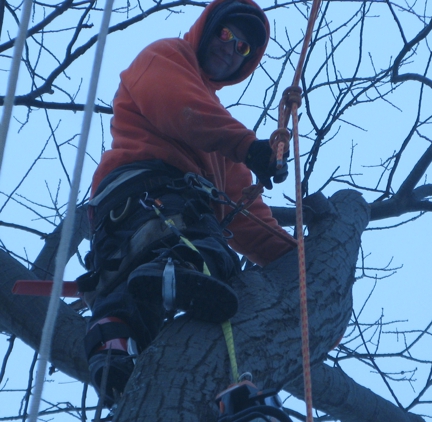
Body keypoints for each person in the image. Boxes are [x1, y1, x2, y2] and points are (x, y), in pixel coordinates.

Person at [81, 0, 296, 407]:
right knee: (214, 255)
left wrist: (295, 261)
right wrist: (249, 147)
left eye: (243, 49)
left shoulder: (217, 130)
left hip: (131, 222)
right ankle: (173, 270)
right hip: (150, 194)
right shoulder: (166, 58)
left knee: (129, 303)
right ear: (208, 28)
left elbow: (246, 214)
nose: (231, 48)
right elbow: (179, 106)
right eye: (227, 35)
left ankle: (115, 354)